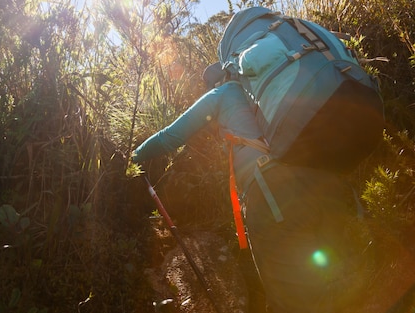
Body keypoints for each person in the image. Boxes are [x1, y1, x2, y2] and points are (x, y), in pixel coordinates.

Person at [132, 63, 369, 313]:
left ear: (218, 82)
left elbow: (171, 136)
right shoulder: (269, 87)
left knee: (292, 300)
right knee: (331, 280)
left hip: (273, 192)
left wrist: (133, 157)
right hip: (322, 181)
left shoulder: (222, 93)